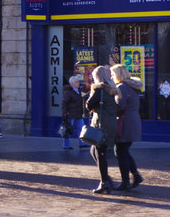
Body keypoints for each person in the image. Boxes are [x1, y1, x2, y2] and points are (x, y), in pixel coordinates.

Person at [85, 66, 119, 194]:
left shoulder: (99, 89)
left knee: (100, 154)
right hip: (110, 125)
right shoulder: (111, 89)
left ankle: (104, 182)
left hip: (102, 126)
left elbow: (89, 104)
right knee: (95, 151)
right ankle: (106, 179)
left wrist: (93, 91)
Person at [111, 65, 144, 190]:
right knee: (123, 151)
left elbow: (119, 107)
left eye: (113, 75)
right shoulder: (132, 86)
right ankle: (135, 175)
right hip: (132, 122)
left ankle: (125, 181)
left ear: (119, 75)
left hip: (124, 123)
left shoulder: (122, 87)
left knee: (120, 152)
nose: (112, 77)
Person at [61, 75, 88, 150]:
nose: (78, 83)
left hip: (78, 114)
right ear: (72, 83)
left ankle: (82, 143)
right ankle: (66, 145)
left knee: (81, 129)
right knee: (68, 130)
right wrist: (65, 112)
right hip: (70, 114)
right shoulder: (68, 92)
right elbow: (64, 103)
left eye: (78, 81)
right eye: (76, 82)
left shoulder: (79, 91)